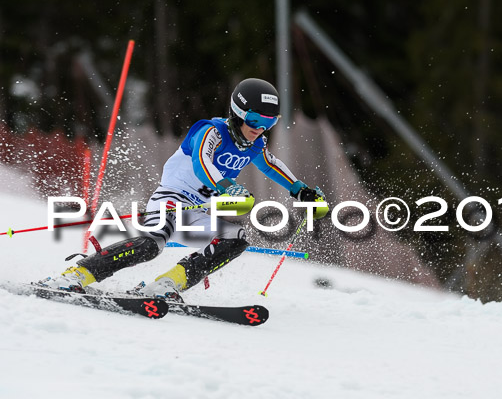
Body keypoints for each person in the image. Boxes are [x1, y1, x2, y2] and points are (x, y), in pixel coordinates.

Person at [38, 78, 328, 301]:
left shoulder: (254, 144)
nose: (259, 128)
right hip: (171, 202)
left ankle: (169, 283)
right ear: (238, 113)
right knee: (151, 245)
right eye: (254, 120)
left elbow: (269, 164)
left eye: (269, 122)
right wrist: (227, 187)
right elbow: (202, 163)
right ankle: (80, 273)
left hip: (196, 214)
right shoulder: (211, 132)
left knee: (235, 239)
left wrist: (300, 191)